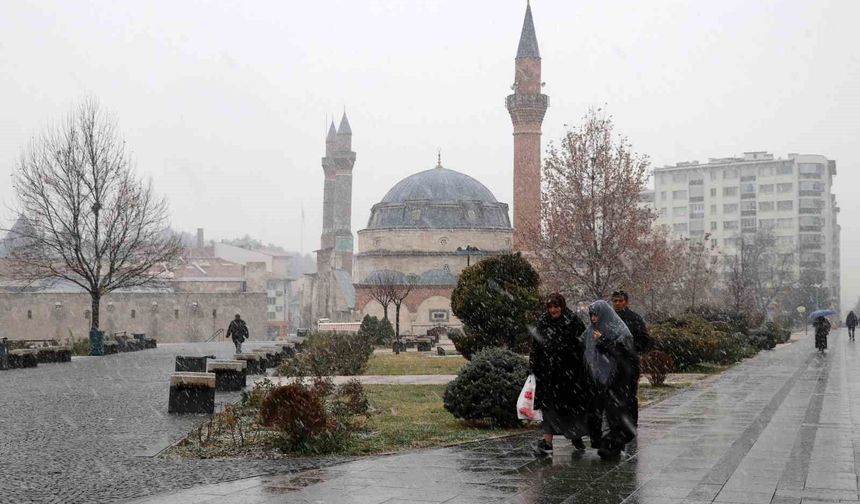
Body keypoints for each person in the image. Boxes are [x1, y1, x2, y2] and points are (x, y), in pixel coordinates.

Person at [529, 293, 590, 457]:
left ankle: (575, 435)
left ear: (562, 306)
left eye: (556, 306)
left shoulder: (573, 321)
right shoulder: (543, 322)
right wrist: (533, 367)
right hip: (548, 375)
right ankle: (547, 443)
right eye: (550, 307)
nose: (553, 310)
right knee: (548, 409)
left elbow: (584, 343)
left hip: (569, 375)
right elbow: (536, 347)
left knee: (569, 409)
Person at [585, 300, 638, 459]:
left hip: (618, 380)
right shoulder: (592, 331)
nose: (594, 319)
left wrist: (603, 341)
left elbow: (622, 353)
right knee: (600, 412)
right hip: (599, 380)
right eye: (592, 315)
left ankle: (612, 444)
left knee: (614, 414)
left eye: (596, 315)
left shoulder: (619, 331)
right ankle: (605, 443)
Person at [611, 290, 652, 429]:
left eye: (620, 300)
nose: (617, 303)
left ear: (626, 302)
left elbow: (644, 339)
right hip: (611, 363)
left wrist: (631, 349)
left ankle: (631, 422)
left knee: (630, 394)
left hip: (629, 362)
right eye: (615, 301)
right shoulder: (608, 318)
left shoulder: (635, 318)